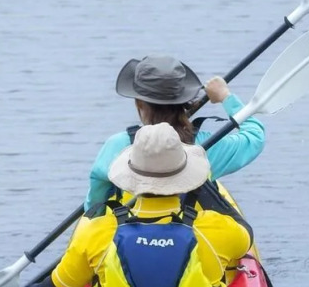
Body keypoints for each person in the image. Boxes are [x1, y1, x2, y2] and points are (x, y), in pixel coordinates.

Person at [0, 123, 253, 287]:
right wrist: (200, 186)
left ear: (130, 177)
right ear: (189, 178)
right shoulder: (217, 230)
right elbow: (245, 231)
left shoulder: (97, 230)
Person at [82, 54, 264, 214]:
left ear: (139, 103)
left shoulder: (117, 145)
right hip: (192, 238)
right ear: (184, 101)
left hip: (128, 234)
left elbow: (96, 202)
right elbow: (255, 137)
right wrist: (226, 96)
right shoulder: (205, 147)